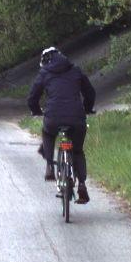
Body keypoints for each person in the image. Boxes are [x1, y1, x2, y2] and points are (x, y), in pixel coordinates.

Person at [27, 45, 96, 204]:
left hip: (53, 117)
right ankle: (82, 185)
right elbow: (90, 93)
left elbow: (32, 97)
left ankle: (50, 166)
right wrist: (88, 108)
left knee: (48, 133)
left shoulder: (44, 73)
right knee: (77, 151)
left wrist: (36, 110)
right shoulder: (76, 70)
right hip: (76, 118)